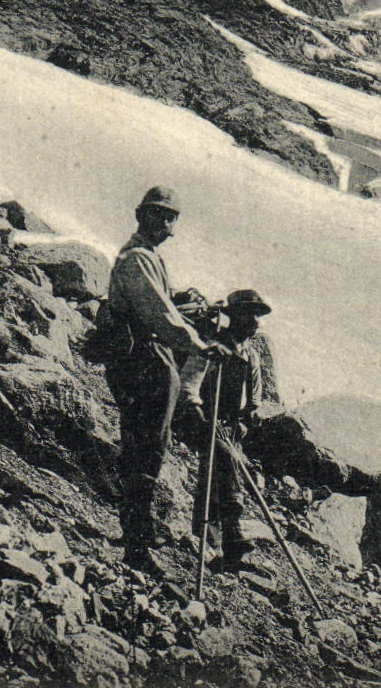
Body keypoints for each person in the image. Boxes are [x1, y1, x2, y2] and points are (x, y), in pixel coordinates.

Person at [103, 186, 218, 572]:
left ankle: (140, 529)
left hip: (151, 357)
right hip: (140, 359)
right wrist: (199, 345)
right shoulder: (136, 259)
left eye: (171, 217)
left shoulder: (151, 258)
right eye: (158, 215)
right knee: (145, 444)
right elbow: (159, 315)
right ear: (141, 216)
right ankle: (135, 544)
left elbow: (166, 307)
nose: (165, 224)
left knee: (153, 442)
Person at [181, 289, 273, 570]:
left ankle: (211, 543)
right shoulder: (213, 345)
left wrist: (247, 420)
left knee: (214, 476)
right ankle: (233, 537)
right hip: (202, 421)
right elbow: (189, 383)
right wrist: (199, 412)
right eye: (250, 314)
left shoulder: (251, 356)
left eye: (258, 316)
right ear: (236, 317)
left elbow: (255, 399)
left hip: (232, 426)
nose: (256, 321)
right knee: (227, 462)